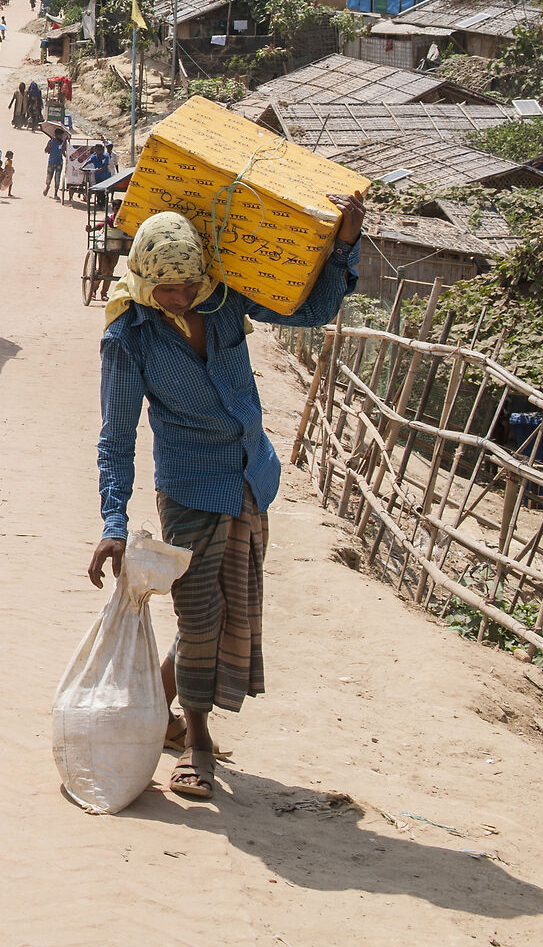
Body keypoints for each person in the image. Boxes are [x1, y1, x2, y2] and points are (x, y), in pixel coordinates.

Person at [89, 197, 366, 803]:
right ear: (142, 278)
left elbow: (311, 310)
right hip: (189, 486)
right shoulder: (127, 337)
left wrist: (345, 243)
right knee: (200, 614)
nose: (180, 297)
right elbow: (117, 435)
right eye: (166, 288)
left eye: (189, 284)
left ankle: (159, 711)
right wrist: (113, 520)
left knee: (223, 607)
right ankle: (198, 746)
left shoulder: (225, 302)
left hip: (249, 477)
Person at [45, 128, 66, 196]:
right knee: (49, 176)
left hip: (59, 162)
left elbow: (64, 152)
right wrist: (49, 147)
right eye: (60, 135)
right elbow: (46, 151)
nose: (62, 136)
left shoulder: (62, 143)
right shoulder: (51, 141)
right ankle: (47, 187)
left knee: (57, 178)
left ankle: (55, 193)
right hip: (51, 162)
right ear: (56, 135)